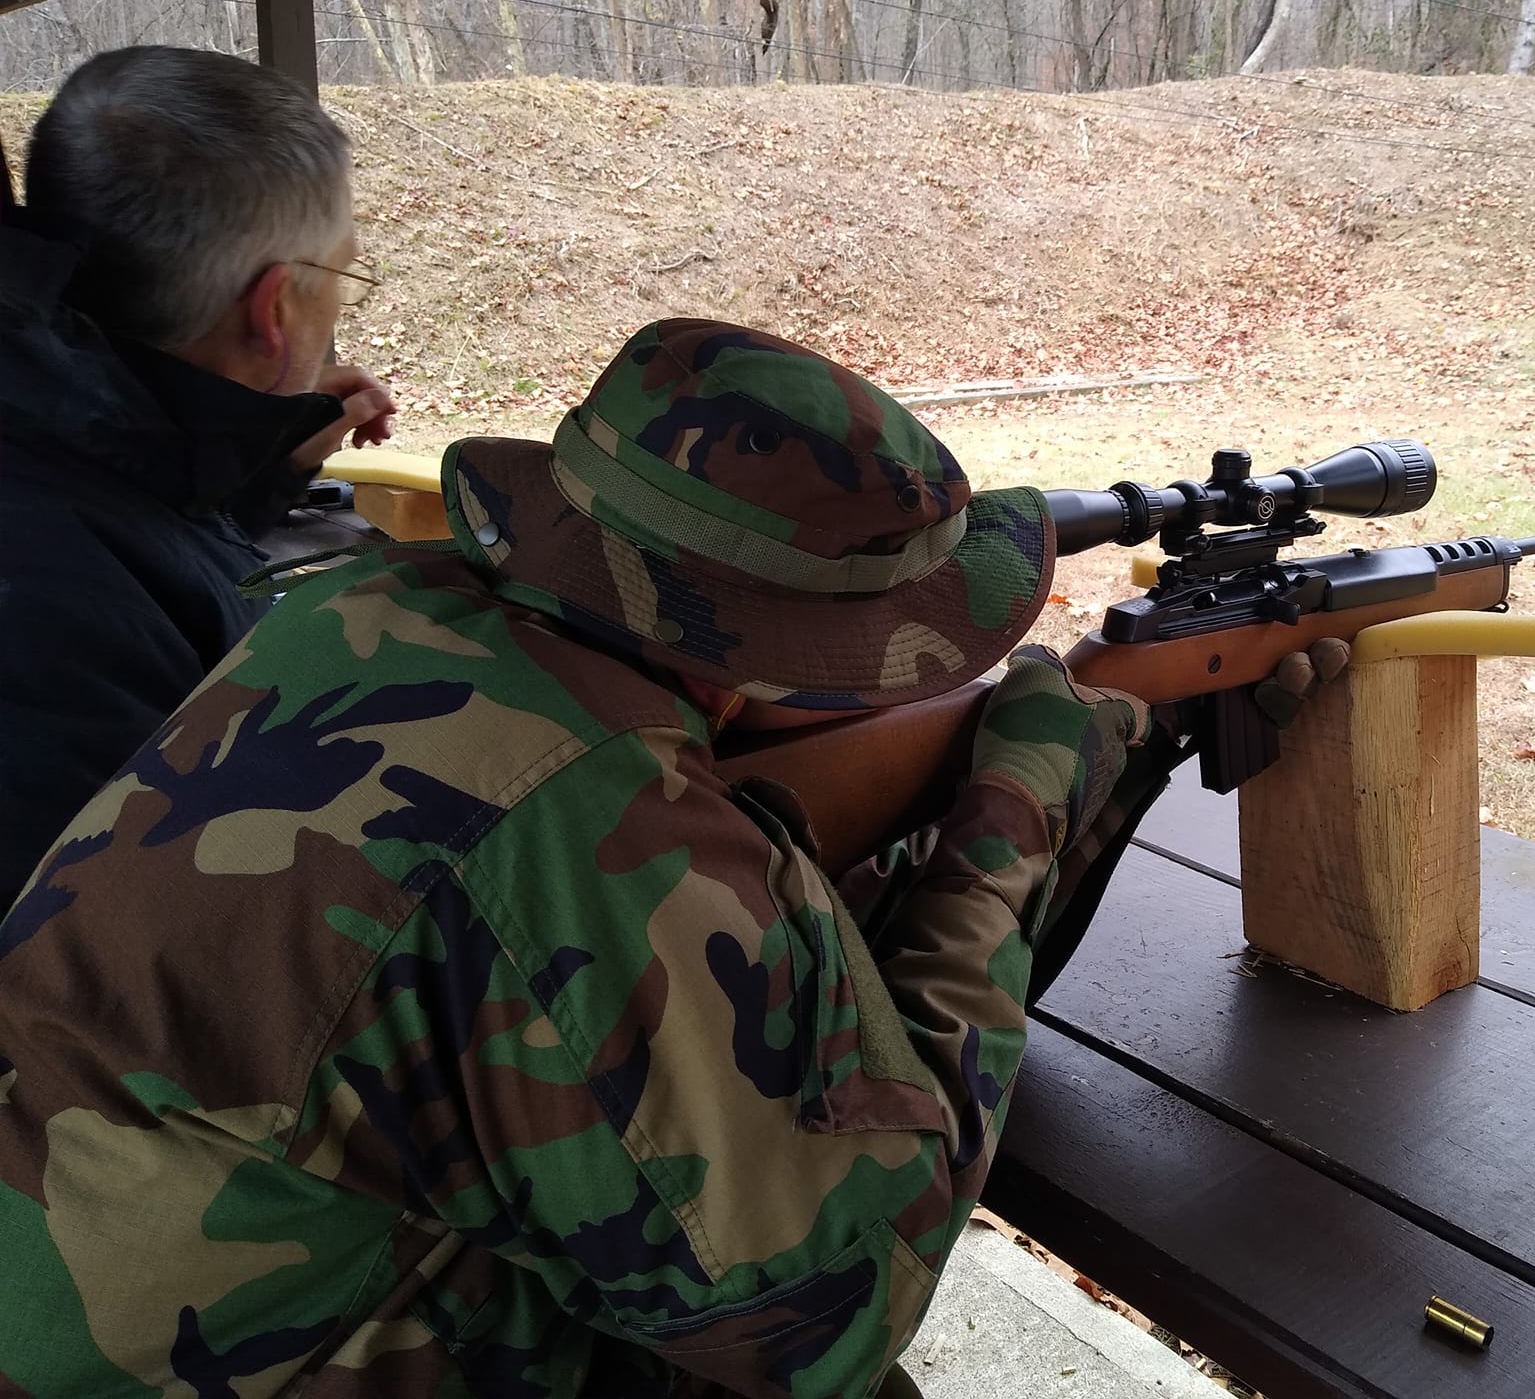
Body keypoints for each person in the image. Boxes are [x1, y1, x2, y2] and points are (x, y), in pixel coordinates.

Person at [0, 319, 1342, 1398]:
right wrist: (1020, 800)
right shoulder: (595, 815)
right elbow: (834, 1311)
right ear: (782, 659)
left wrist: (1107, 747)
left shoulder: (367, 610)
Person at [0, 45, 397, 889]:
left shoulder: (48, 415)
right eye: (343, 271)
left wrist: (270, 460)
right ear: (277, 308)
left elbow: (137, 528)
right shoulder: (64, 630)